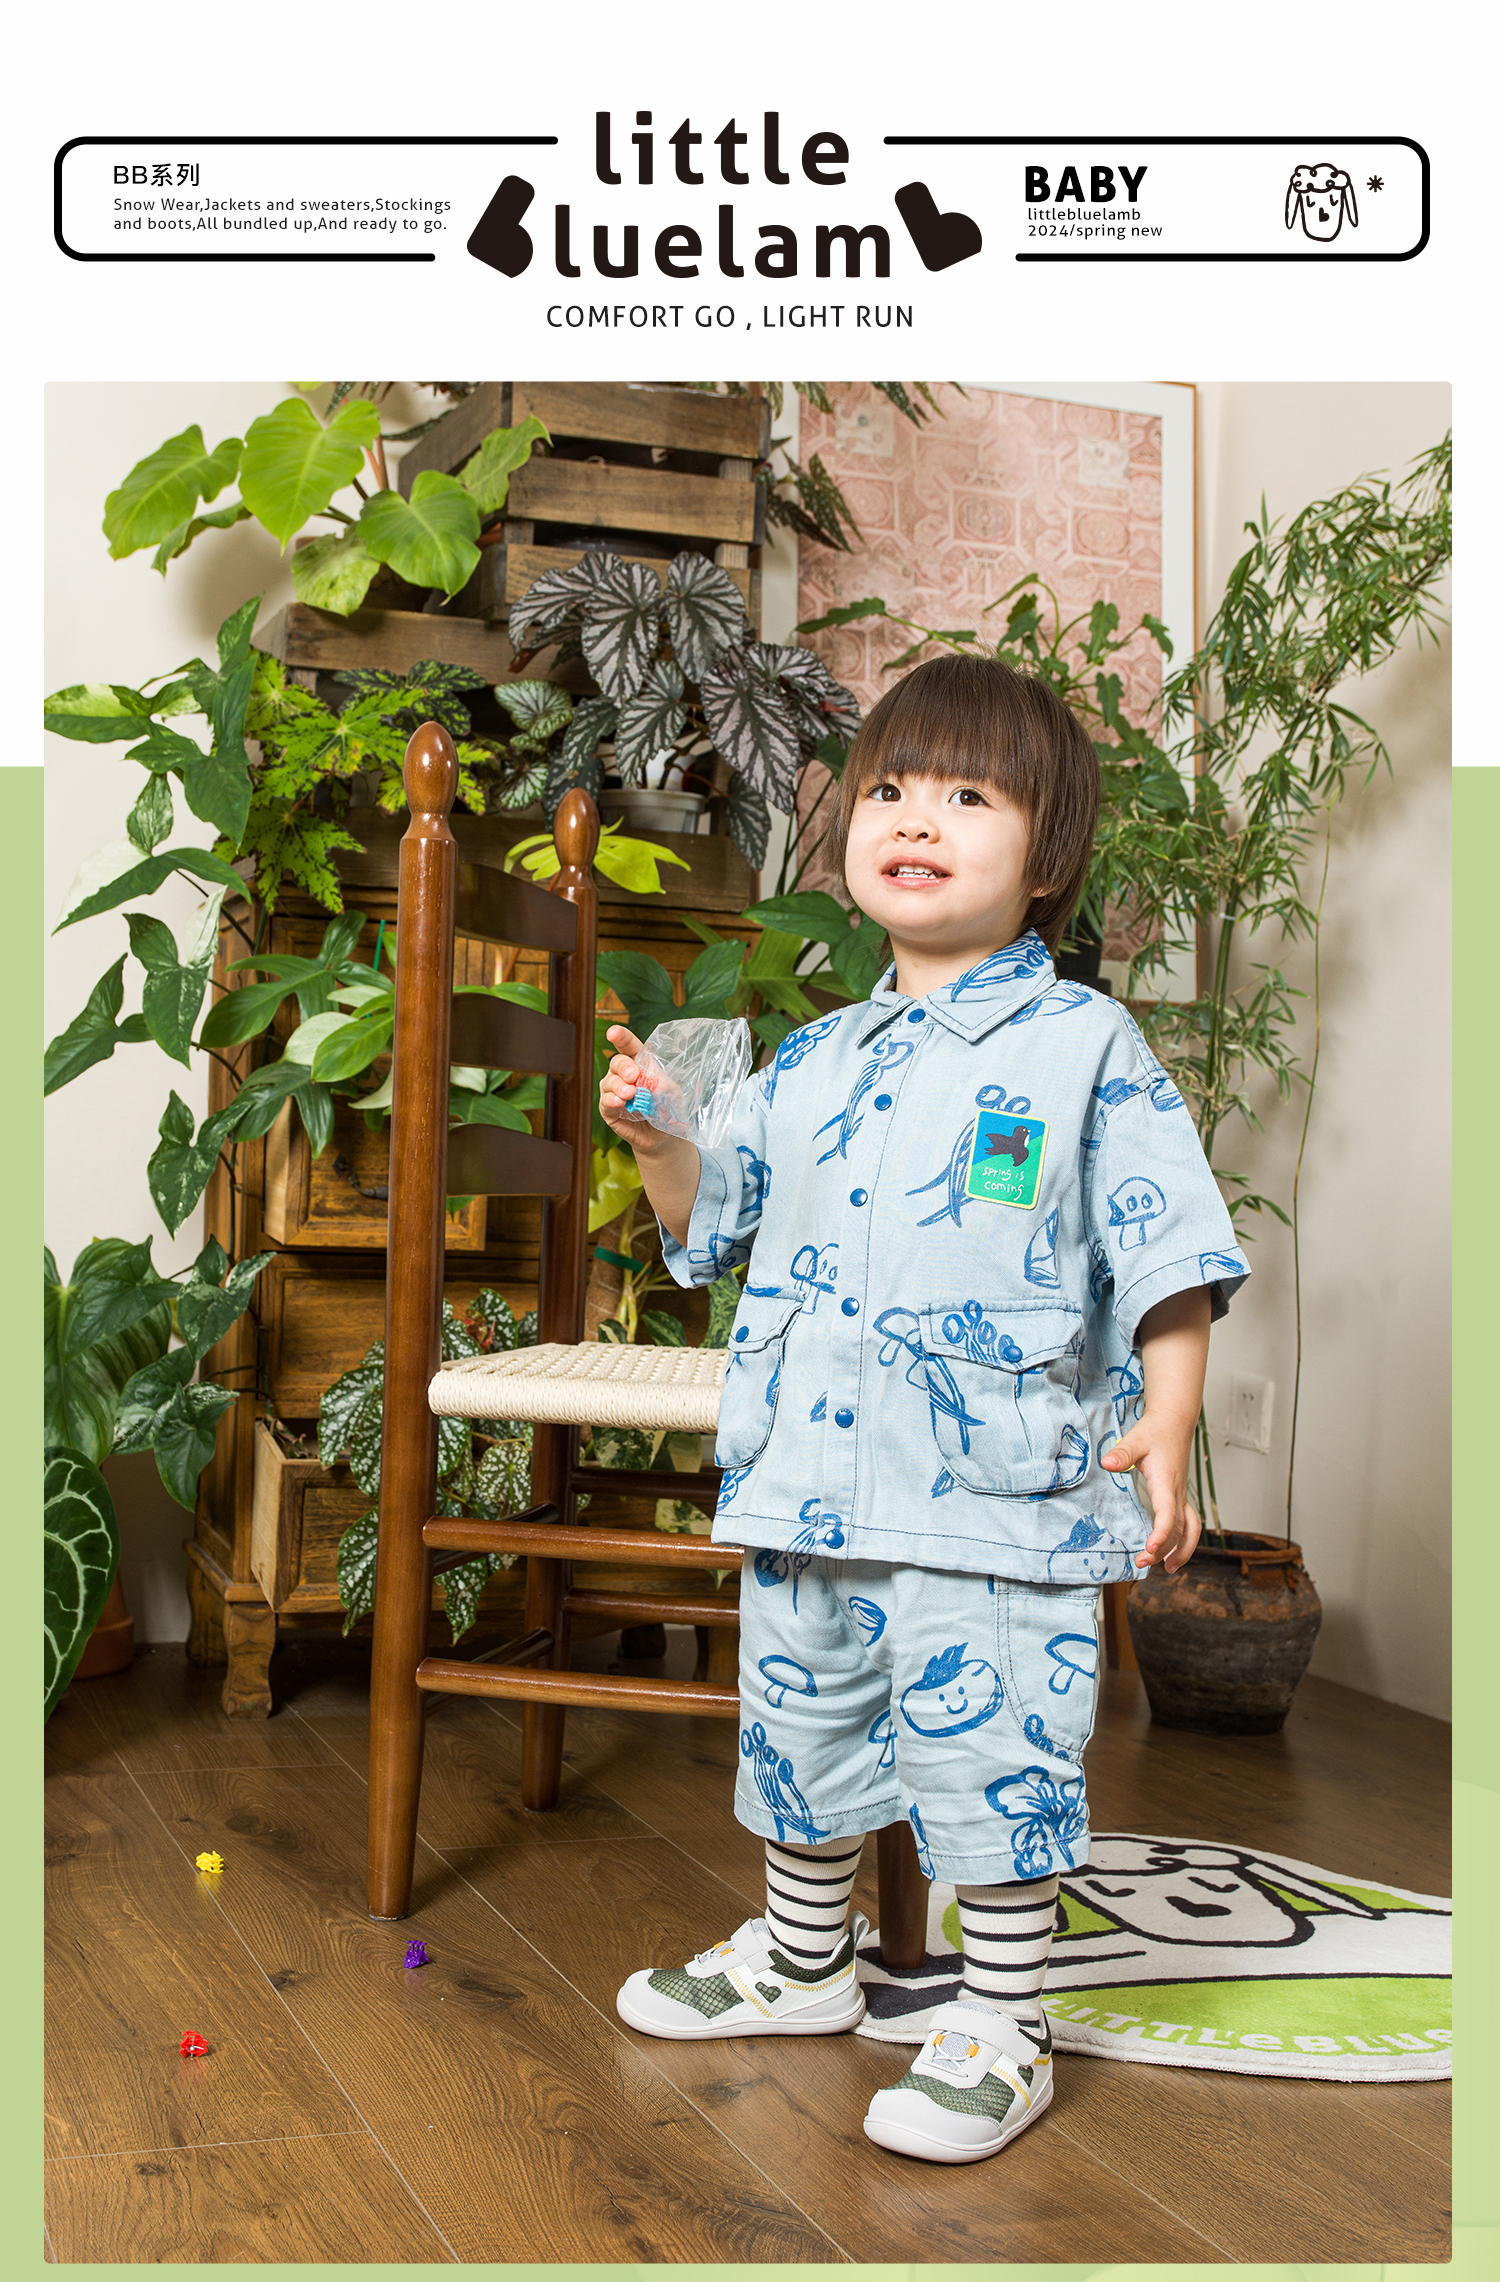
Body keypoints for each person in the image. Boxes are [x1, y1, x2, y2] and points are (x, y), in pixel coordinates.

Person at [597, 653, 1248, 2166]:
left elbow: (1166, 1248)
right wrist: (661, 1140)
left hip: (994, 1504)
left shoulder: (1085, 1050)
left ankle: (1003, 2021)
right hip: (807, 1485)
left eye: (967, 795)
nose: (915, 818)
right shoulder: (812, 1060)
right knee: (800, 1730)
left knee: (994, 1755)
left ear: (1048, 853)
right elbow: (712, 1220)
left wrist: (1167, 1421)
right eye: (889, 788)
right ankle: (802, 1959)